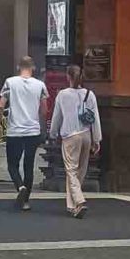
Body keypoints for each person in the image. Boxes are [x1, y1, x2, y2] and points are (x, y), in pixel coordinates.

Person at [0, 56, 49, 211]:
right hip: (33, 131)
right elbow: (44, 110)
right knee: (28, 165)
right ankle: (25, 201)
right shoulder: (40, 85)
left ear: (19, 67)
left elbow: (0, 107)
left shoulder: (10, 82)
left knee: (12, 164)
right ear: (33, 68)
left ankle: (20, 187)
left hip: (15, 131)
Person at [48, 64, 101, 218]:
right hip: (86, 135)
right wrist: (96, 139)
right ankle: (72, 206)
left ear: (68, 77)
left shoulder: (62, 95)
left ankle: (79, 200)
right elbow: (95, 118)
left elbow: (56, 117)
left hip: (70, 136)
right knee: (81, 171)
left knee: (71, 170)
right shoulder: (90, 94)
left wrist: (52, 133)